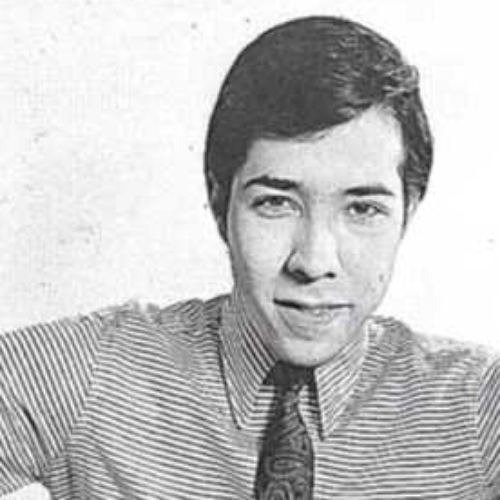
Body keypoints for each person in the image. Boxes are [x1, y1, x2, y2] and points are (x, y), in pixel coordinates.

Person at [1, 14, 500, 500]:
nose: (314, 261)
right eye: (275, 203)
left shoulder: (478, 406)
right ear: (220, 202)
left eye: (363, 209)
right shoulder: (94, 374)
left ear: (408, 212)